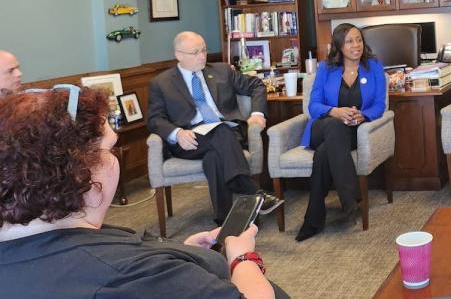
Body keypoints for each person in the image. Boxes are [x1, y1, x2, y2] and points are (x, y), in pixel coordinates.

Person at [0, 86, 283, 298]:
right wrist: (243, 258)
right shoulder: (134, 276)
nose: (115, 159)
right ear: (77, 169)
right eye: (110, 149)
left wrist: (183, 254)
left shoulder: (41, 243)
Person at [147, 31, 281, 225]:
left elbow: (257, 85)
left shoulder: (221, 70)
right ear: (179, 55)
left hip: (227, 134)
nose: (202, 56)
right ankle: (253, 193)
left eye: (204, 50)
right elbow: (154, 119)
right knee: (220, 131)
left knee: (215, 156)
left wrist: (257, 113)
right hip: (190, 140)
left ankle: (226, 222)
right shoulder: (161, 83)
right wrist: (177, 133)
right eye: (195, 52)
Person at [296, 23, 386, 242]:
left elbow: (379, 105)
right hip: (323, 127)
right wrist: (335, 112)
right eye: (349, 41)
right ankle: (350, 198)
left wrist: (362, 116)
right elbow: (313, 106)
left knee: (325, 154)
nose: (356, 45)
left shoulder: (373, 66)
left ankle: (313, 217)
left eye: (359, 40)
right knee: (334, 127)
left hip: (353, 131)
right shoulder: (326, 69)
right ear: (339, 45)